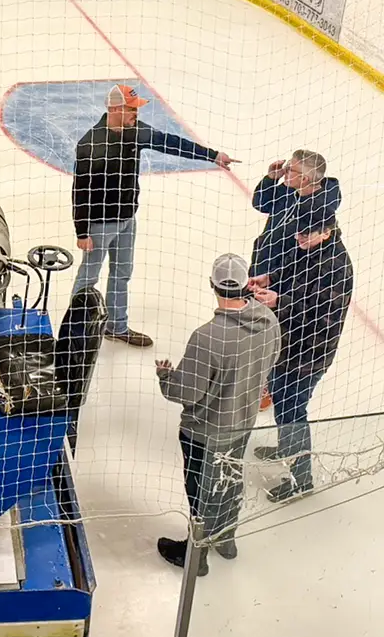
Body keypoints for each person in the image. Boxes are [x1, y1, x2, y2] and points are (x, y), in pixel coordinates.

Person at [71, 84, 238, 347]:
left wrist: (212, 156)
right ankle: (75, 332)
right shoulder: (90, 144)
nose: (136, 114)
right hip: (99, 224)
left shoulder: (137, 131)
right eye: (131, 109)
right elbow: (80, 190)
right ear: (115, 109)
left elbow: (170, 143)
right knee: (89, 276)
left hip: (128, 219)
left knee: (121, 273)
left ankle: (117, 326)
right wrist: (82, 232)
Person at [154, 253, 281, 575]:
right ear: (245, 283)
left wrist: (166, 377)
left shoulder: (207, 337)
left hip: (205, 432)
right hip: (242, 423)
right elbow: (271, 362)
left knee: (200, 490)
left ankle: (195, 557)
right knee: (230, 481)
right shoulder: (268, 321)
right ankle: (226, 539)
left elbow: (185, 393)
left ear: (212, 284)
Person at [250, 207, 354, 503]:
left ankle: (302, 479)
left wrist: (279, 301)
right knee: (284, 405)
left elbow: (321, 317)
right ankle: (287, 448)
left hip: (308, 356)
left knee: (293, 411)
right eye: (298, 231)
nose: (299, 237)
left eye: (306, 233)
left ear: (327, 230)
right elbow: (292, 271)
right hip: (288, 346)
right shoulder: (308, 247)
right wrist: (269, 279)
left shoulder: (335, 267)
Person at [249, 150, 341, 282]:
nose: (284, 170)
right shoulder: (291, 189)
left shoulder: (318, 209)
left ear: (303, 179)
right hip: (262, 266)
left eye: (289, 169)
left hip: (282, 277)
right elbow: (260, 204)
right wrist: (271, 179)